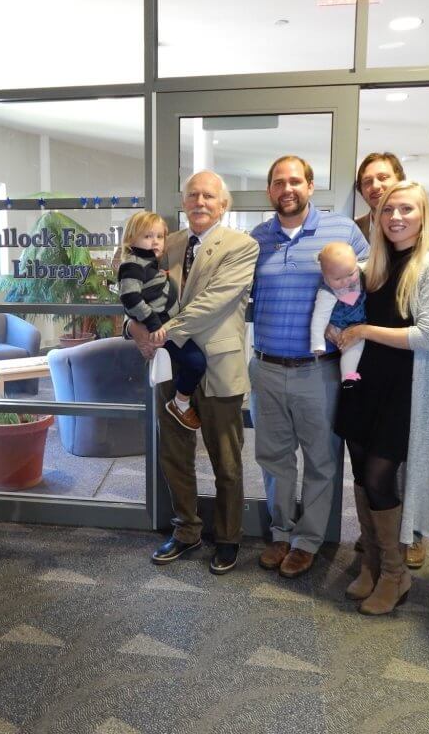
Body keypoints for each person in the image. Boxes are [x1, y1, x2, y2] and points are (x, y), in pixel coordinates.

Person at [334, 180, 429, 615]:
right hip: (363, 383)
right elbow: (345, 309)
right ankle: (370, 561)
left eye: (406, 209)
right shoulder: (373, 264)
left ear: (423, 215)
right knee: (362, 475)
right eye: (388, 211)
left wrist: (363, 331)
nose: (396, 218)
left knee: (382, 476)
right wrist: (337, 328)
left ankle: (394, 573)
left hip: (404, 388)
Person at [128, 171, 258, 575]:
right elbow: (137, 287)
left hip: (218, 364)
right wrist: (134, 328)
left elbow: (215, 302)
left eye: (208, 196)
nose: (199, 202)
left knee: (227, 460)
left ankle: (228, 537)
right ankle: (186, 530)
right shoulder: (169, 243)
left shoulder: (242, 245)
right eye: (192, 195)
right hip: (170, 367)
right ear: (184, 202)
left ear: (223, 204)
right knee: (174, 454)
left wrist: (162, 332)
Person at [250, 156, 368, 579]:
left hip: (318, 370)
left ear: (311, 186)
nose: (287, 189)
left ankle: (308, 540)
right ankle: (281, 532)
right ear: (269, 191)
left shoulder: (343, 231)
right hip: (265, 366)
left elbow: (369, 283)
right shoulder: (256, 239)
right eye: (278, 182)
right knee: (274, 457)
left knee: (321, 458)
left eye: (295, 181)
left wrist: (349, 327)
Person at [116, 210, 206, 430]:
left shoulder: (148, 261)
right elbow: (129, 297)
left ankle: (179, 399)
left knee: (190, 362)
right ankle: (180, 403)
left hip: (166, 326)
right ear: (131, 239)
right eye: (147, 236)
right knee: (196, 362)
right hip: (162, 328)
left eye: (159, 236)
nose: (155, 241)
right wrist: (151, 323)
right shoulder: (133, 264)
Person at [310, 242, 368, 384]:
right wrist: (317, 343)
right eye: (337, 279)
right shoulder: (327, 291)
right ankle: (348, 376)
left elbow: (371, 264)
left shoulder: (361, 271)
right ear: (325, 276)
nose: (345, 282)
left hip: (360, 321)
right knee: (352, 348)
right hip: (340, 326)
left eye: (350, 274)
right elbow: (319, 318)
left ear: (356, 263)